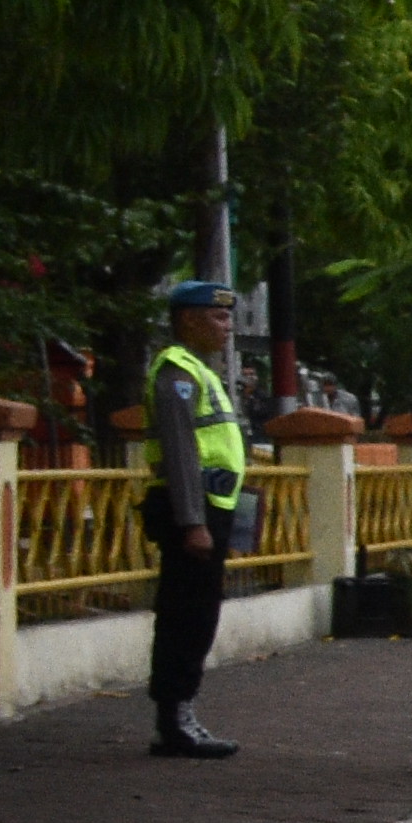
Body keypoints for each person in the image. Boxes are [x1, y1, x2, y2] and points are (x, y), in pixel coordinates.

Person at [135, 276, 252, 757]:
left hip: (212, 508)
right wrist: (193, 522)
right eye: (218, 316)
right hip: (193, 512)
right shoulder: (177, 373)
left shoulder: (199, 371)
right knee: (186, 615)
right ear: (188, 320)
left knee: (199, 614)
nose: (228, 327)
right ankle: (175, 718)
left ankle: (183, 712)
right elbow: (183, 455)